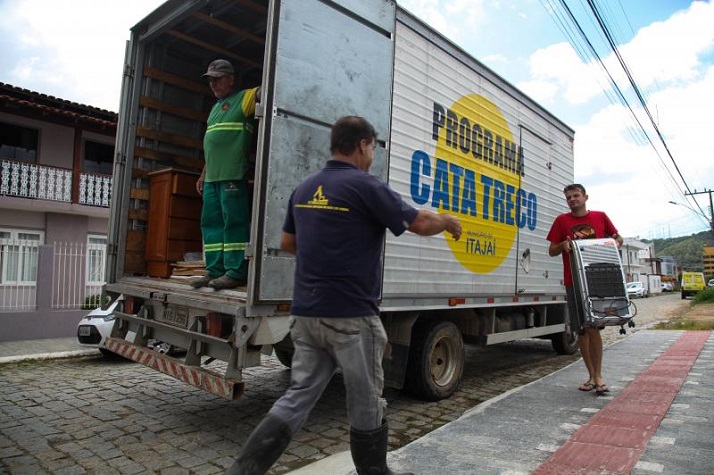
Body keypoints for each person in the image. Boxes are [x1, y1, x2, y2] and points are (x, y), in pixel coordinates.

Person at [226, 116, 462, 475]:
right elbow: (419, 223)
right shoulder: (366, 186)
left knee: (298, 396)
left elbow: (288, 243)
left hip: (307, 314)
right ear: (364, 144)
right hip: (352, 316)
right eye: (373, 147)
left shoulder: (304, 188)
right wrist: (447, 221)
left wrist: (326, 247)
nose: (372, 155)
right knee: (366, 400)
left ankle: (242, 471)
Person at [546, 184, 623, 396]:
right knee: (581, 330)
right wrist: (563, 245)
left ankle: (599, 376)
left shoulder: (600, 217)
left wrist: (616, 242)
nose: (572, 200)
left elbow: (618, 238)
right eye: (568, 197)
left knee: (594, 327)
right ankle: (591, 376)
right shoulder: (562, 221)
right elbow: (551, 250)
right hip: (573, 281)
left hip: (597, 279)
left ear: (585, 197)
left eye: (576, 196)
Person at [191, 59, 259, 290]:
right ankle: (215, 270)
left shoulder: (245, 99)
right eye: (210, 79)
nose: (213, 83)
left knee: (234, 222)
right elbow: (211, 147)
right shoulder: (214, 109)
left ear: (231, 78)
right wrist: (202, 175)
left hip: (232, 175)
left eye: (217, 78)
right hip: (211, 178)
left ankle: (236, 271)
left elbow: (270, 89)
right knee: (211, 224)